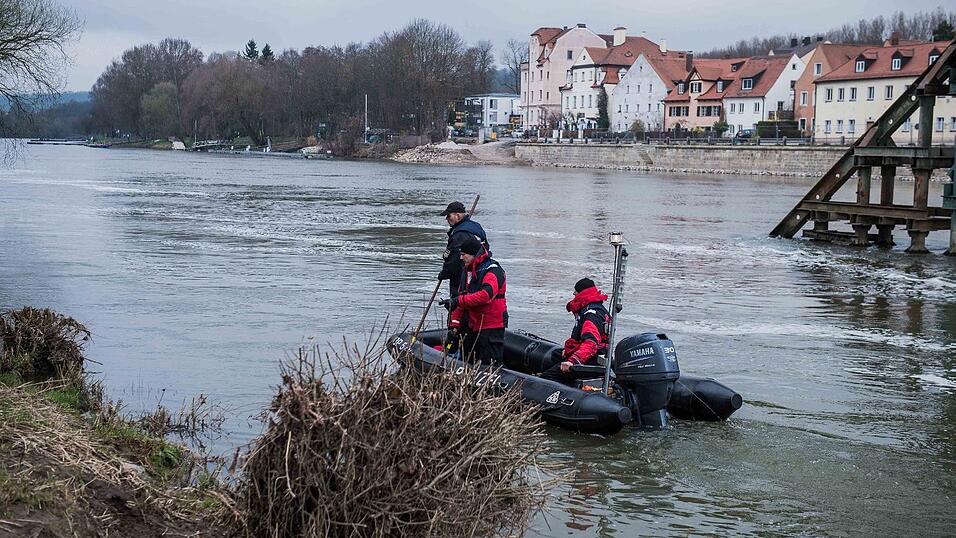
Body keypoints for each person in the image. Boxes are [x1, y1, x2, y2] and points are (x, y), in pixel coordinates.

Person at [439, 236, 507, 365]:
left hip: (490, 326)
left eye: (463, 254)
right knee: (468, 361)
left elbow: (486, 295)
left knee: (489, 365)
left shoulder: (493, 271)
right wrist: (454, 325)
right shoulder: (467, 271)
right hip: (472, 325)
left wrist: (458, 301)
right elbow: (460, 299)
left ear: (473, 254)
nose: (460, 258)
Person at [540, 278, 610, 384]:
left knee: (548, 377)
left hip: (591, 359)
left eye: (576, 291)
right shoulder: (593, 308)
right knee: (556, 355)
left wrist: (573, 361)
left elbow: (591, 344)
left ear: (582, 293)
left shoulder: (590, 315)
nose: (573, 293)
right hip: (595, 355)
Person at [437, 201, 489, 298]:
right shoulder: (476, 227)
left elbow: (454, 259)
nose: (447, 219)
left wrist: (445, 273)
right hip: (479, 273)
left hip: (462, 276)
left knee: (458, 303)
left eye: (449, 216)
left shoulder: (459, 234)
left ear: (458, 216)